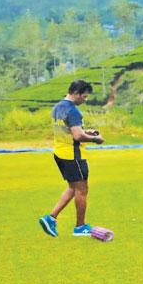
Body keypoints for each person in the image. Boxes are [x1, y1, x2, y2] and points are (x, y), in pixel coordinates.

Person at [39, 80, 105, 237]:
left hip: (60, 153)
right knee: (82, 190)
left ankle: (50, 218)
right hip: (73, 155)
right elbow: (77, 135)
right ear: (76, 93)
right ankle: (80, 227)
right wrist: (96, 139)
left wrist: (86, 131)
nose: (85, 100)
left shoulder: (58, 107)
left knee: (73, 188)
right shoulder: (74, 111)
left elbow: (69, 130)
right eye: (84, 96)